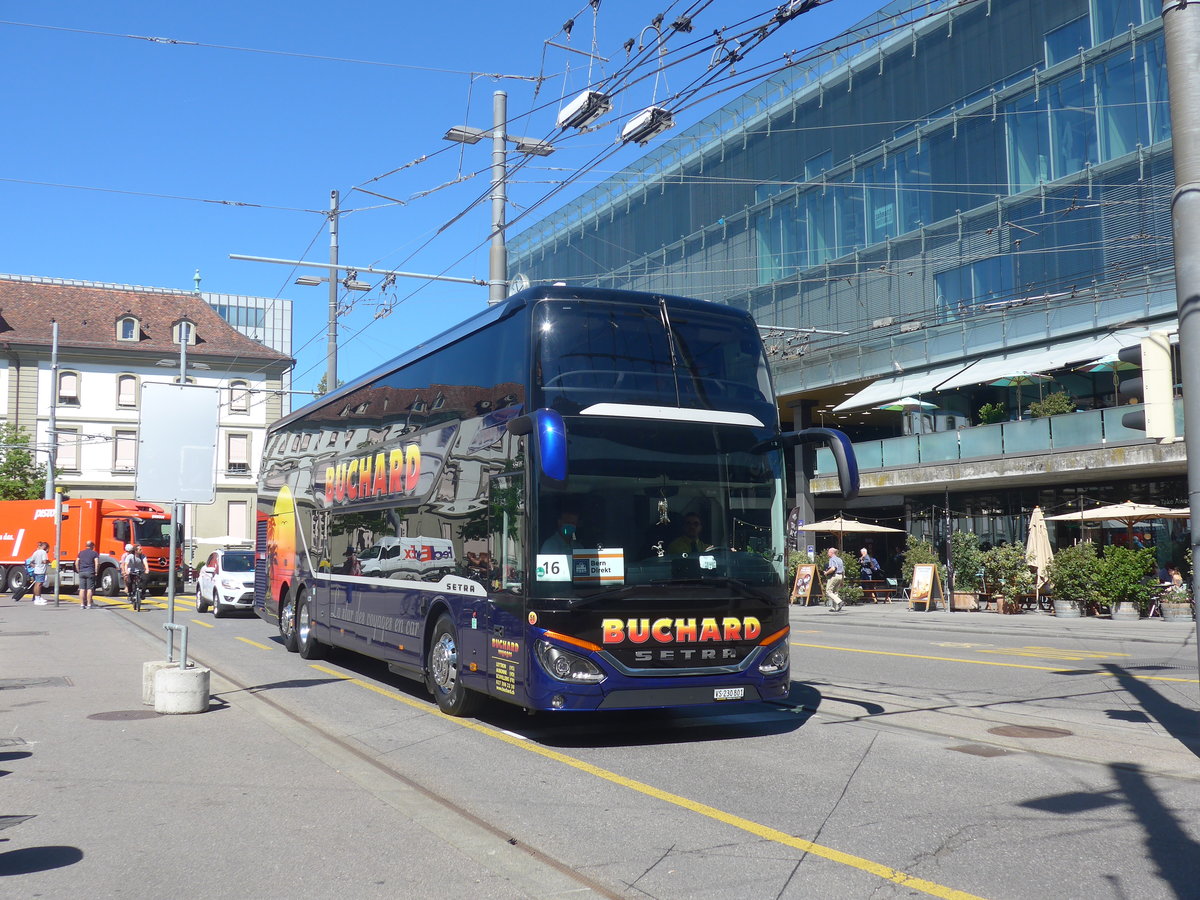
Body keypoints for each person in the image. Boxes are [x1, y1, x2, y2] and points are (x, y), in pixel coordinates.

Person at [122, 543, 146, 610]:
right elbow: (125, 564)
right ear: (135, 550)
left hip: (140, 571)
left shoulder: (142, 556)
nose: (142, 550)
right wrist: (126, 571)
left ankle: (142, 593)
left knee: (145, 579)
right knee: (129, 581)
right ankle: (130, 593)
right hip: (131, 571)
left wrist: (147, 569)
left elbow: (145, 564)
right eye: (140, 549)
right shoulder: (129, 556)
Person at [77, 539, 99, 609]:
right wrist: (96, 571)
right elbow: (97, 563)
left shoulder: (81, 553)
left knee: (82, 589)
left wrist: (78, 570)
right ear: (92, 546)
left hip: (82, 572)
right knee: (89, 589)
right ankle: (89, 604)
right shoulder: (94, 553)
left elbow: (76, 562)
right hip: (90, 572)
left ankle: (82, 604)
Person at [823, 547, 845, 612]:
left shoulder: (832, 559)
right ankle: (834, 607)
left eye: (828, 552)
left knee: (828, 591)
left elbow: (833, 568)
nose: (827, 553)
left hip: (834, 576)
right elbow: (843, 571)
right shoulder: (840, 559)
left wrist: (826, 573)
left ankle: (839, 602)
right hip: (840, 576)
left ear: (831, 553)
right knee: (835, 592)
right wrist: (842, 580)